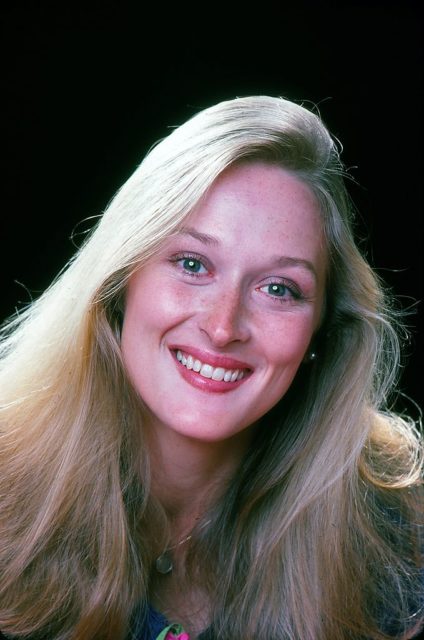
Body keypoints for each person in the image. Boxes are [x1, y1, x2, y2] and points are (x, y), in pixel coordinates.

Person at [0, 95, 423, 640]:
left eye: (279, 288)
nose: (224, 327)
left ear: (322, 329)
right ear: (120, 281)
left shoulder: (398, 542)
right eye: (193, 264)